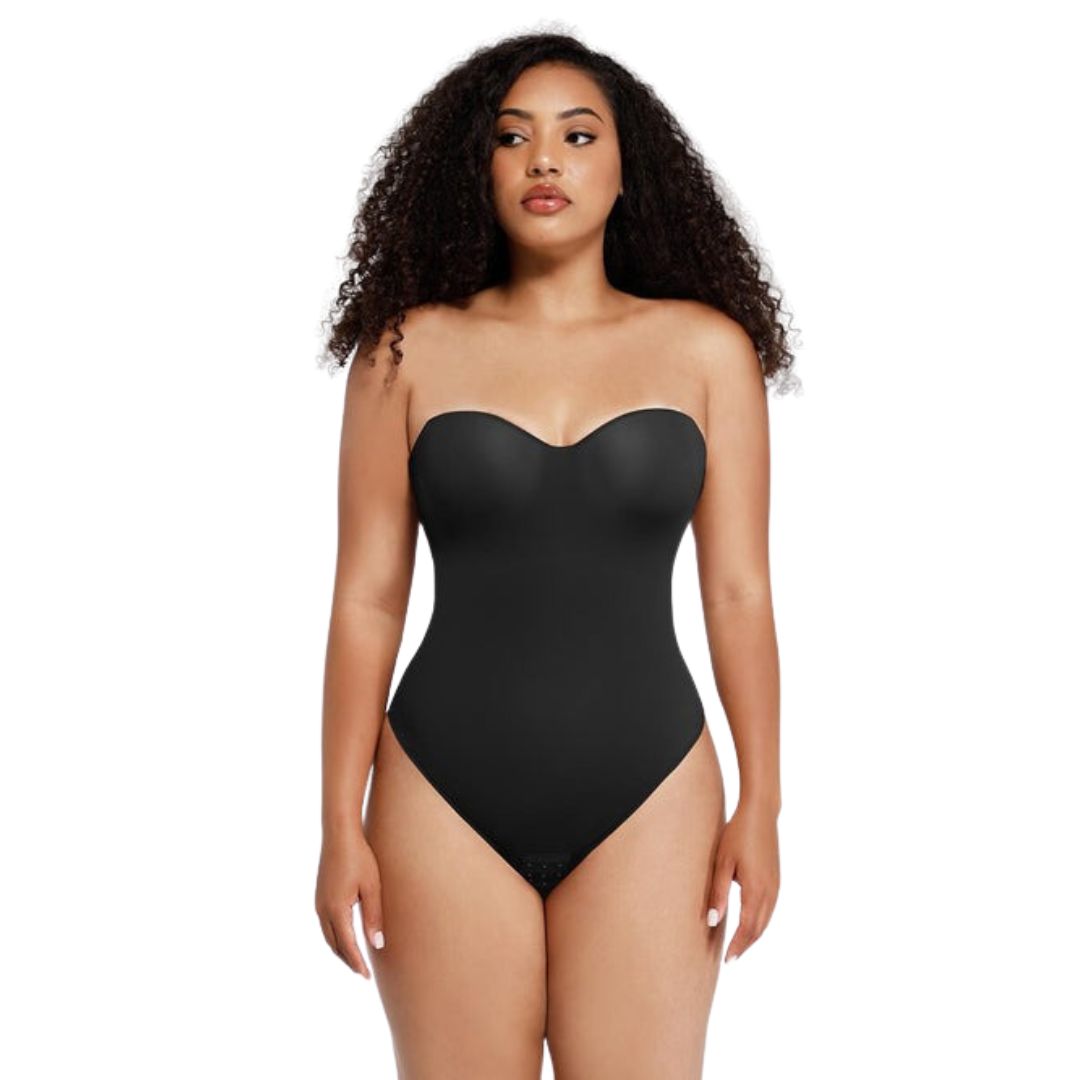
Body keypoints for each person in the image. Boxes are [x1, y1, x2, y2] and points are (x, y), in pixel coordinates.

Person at [315, 31, 795, 1080]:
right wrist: (336, 823)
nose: (544, 159)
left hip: (652, 795)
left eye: (579, 137)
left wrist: (761, 801)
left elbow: (739, 592)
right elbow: (366, 599)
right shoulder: (404, 351)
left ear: (629, 172)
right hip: (439, 793)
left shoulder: (709, 351)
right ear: (476, 169)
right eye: (512, 138)